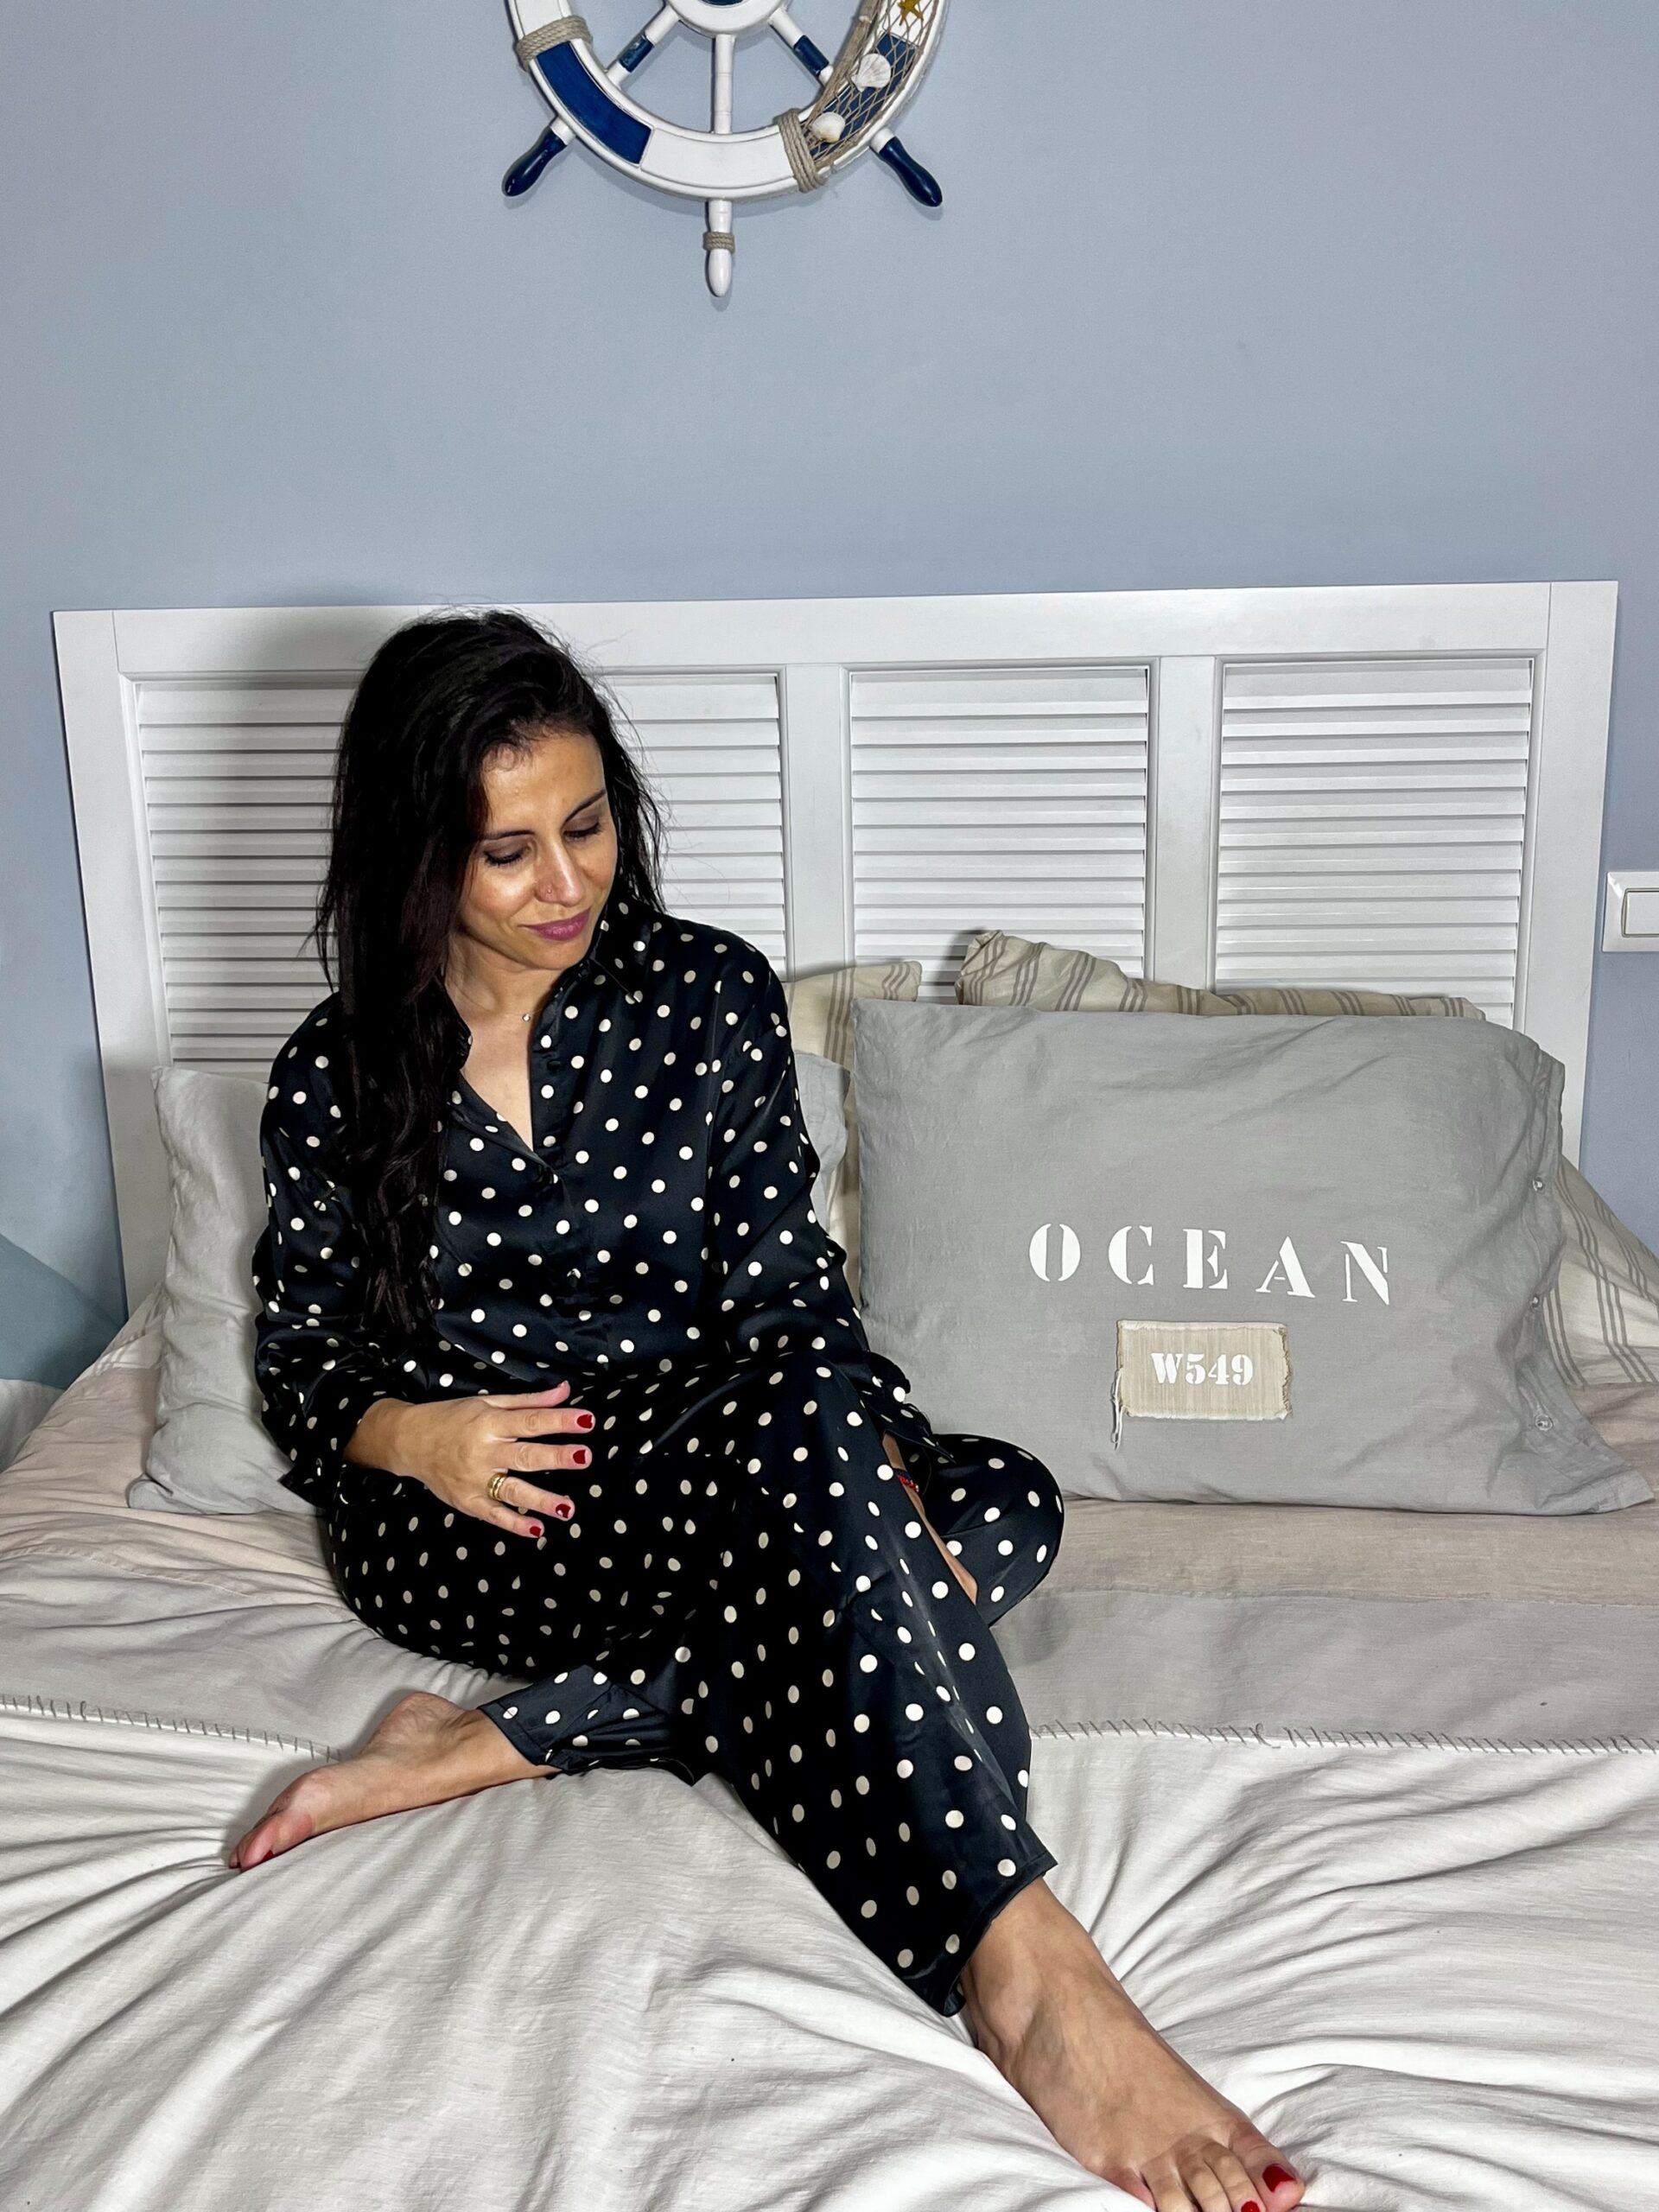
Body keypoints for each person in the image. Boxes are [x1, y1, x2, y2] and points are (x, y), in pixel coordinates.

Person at [226, 609, 1305, 2212]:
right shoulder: (335, 1070)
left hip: (729, 1453)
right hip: (474, 1512)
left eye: (589, 825)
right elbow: (303, 1365)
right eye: (508, 852)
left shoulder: (706, 996)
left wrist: (866, 1468)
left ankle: (501, 1738)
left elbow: (792, 1292)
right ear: (419, 857)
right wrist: (416, 1438)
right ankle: (1027, 1967)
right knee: (846, 1502)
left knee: (1005, 1499)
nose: (568, 881)